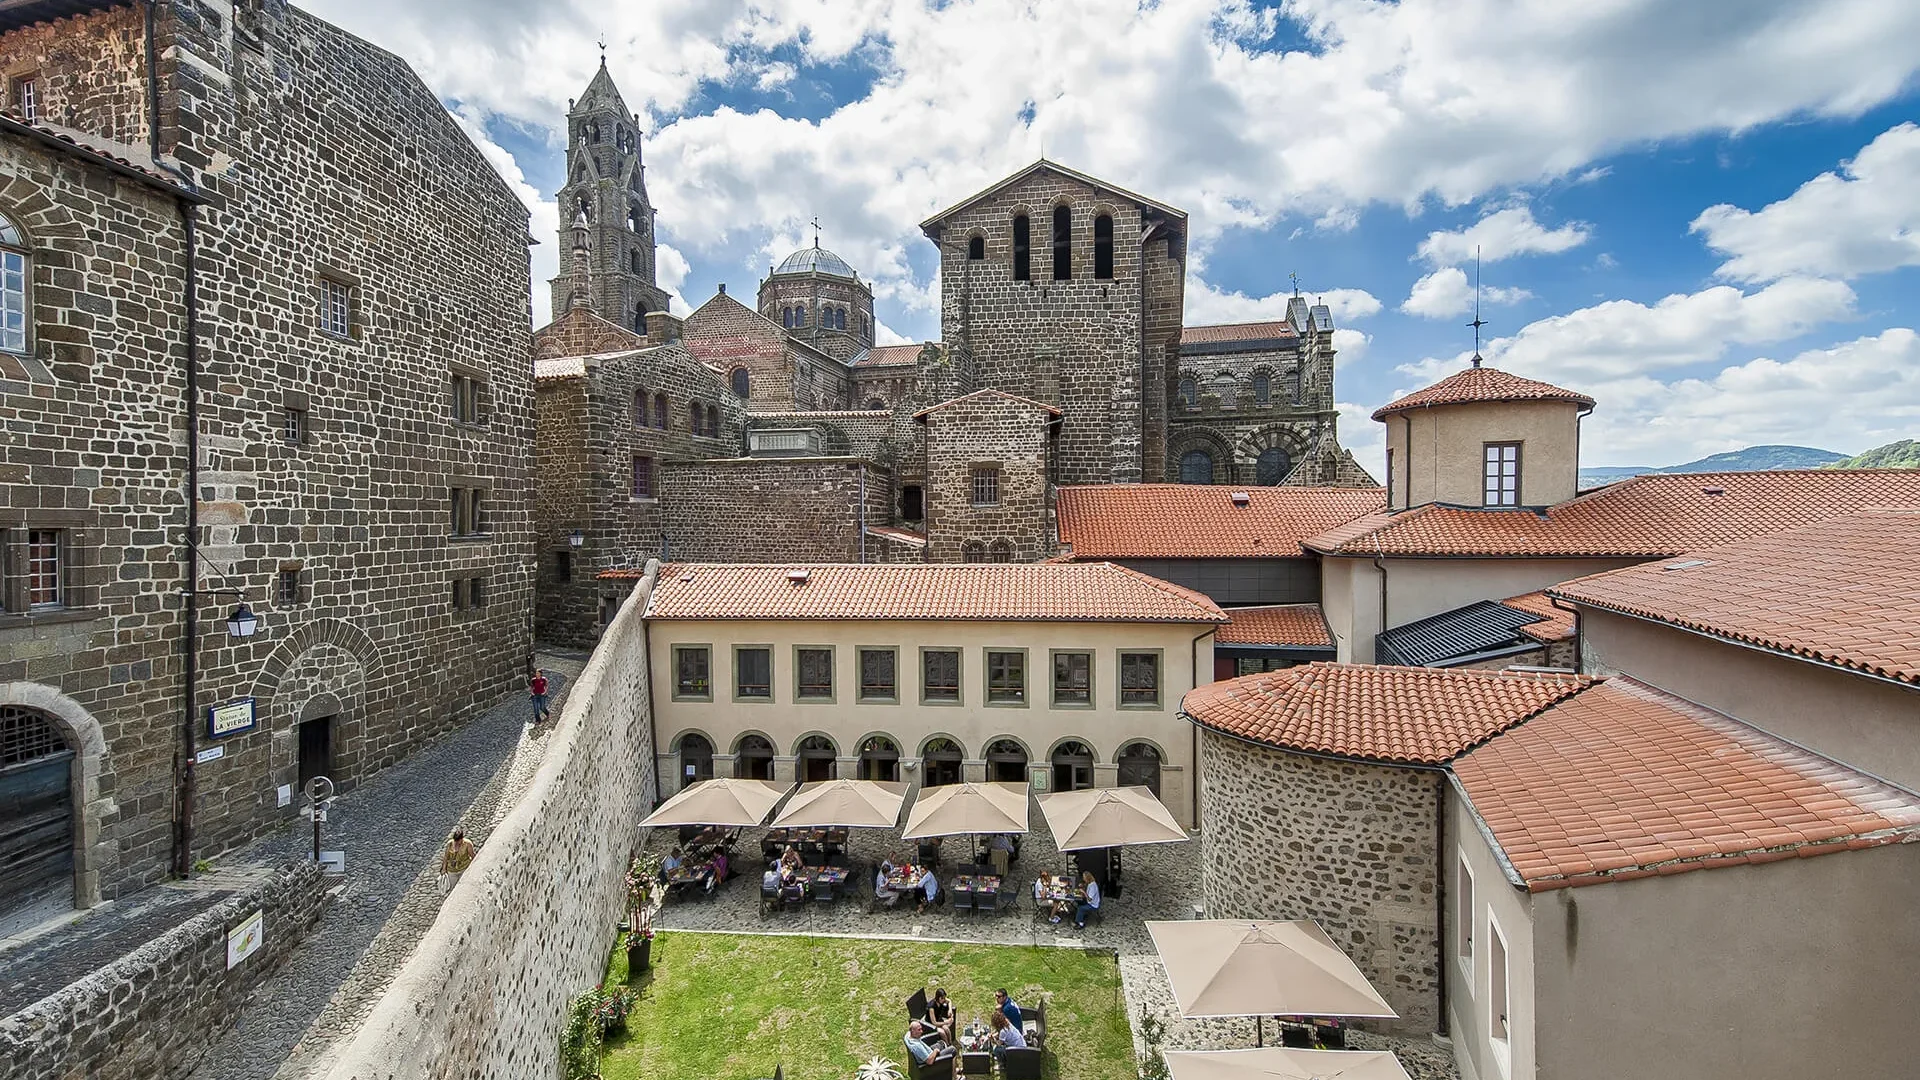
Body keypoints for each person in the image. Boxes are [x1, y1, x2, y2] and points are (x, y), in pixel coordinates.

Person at [439, 828, 477, 896]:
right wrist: (444, 868)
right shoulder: (450, 844)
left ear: (462, 838)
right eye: (455, 841)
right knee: (452, 889)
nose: (456, 843)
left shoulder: (467, 844)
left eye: (458, 841)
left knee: (464, 887)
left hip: (463, 868)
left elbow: (472, 855)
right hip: (452, 870)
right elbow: (446, 857)